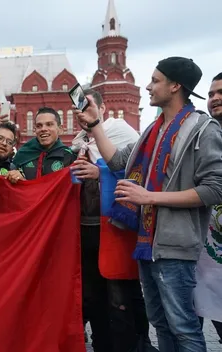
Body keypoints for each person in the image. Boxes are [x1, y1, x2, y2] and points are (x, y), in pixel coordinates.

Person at [76, 56, 222, 351]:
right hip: (147, 243)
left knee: (183, 328)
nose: (147, 87)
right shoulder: (151, 133)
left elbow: (215, 189)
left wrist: (150, 197)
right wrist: (94, 124)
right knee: (162, 324)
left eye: (155, 81)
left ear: (175, 85)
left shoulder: (203, 130)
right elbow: (118, 160)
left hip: (176, 245)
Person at [71, 89, 155, 352]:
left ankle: (138, 343)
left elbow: (139, 167)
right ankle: (104, 344)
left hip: (115, 226)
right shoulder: (79, 140)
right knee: (95, 295)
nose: (83, 113)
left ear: (103, 107)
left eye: (88, 106)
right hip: (87, 228)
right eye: (79, 108)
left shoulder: (120, 130)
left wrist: (99, 171)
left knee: (122, 291)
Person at [195, 72, 222, 344]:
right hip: (208, 254)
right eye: (212, 94)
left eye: (221, 93)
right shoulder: (204, 132)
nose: (214, 99)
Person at [8, 107, 75, 182]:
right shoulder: (23, 154)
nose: (43, 129)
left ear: (60, 129)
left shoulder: (69, 156)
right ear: (35, 130)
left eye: (49, 124)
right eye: (39, 126)